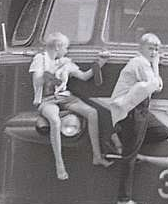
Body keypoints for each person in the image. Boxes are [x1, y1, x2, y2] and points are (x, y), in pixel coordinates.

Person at [30, 32, 111, 180]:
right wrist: (55, 69)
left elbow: (84, 76)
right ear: (57, 46)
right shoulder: (40, 59)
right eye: (65, 48)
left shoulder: (66, 62)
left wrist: (100, 63)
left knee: (92, 113)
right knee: (55, 121)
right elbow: (37, 82)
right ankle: (59, 165)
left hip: (66, 98)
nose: (67, 51)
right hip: (47, 100)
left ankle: (97, 156)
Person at [109, 33, 168, 204]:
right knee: (130, 156)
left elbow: (155, 85)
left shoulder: (145, 64)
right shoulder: (139, 63)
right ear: (140, 48)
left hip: (140, 110)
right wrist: (156, 64)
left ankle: (121, 140)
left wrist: (155, 64)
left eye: (157, 49)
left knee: (162, 132)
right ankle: (123, 201)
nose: (154, 52)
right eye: (151, 48)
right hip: (131, 111)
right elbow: (157, 85)